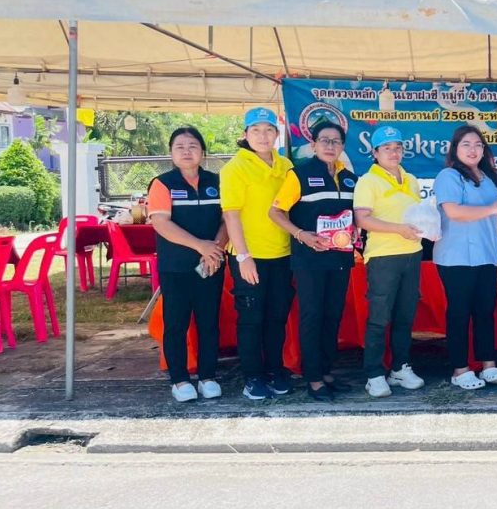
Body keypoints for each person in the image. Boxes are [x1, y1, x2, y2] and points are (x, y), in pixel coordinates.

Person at [269, 121, 357, 402]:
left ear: (342, 146)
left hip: (340, 258)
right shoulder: (299, 175)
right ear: (313, 144)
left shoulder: (350, 179)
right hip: (309, 260)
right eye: (324, 140)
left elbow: (352, 216)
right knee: (312, 316)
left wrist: (357, 232)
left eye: (336, 141)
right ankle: (314, 378)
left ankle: (326, 371)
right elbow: (275, 213)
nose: (330, 146)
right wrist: (300, 234)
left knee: (333, 315)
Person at [147, 127, 228, 403]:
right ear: (171, 153)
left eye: (192, 145)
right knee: (176, 323)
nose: (186, 151)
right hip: (176, 267)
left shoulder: (217, 181)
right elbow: (161, 223)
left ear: (202, 152)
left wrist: (214, 249)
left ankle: (208, 376)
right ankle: (179, 379)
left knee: (209, 322)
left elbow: (227, 220)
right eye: (179, 146)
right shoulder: (162, 183)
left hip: (211, 264)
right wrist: (200, 246)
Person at [221, 107, 295, 400]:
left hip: (282, 254)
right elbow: (231, 215)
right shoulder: (235, 168)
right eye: (256, 130)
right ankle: (252, 376)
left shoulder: (285, 165)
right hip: (249, 256)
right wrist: (243, 257)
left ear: (277, 134)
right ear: (245, 134)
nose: (263, 136)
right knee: (251, 319)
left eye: (269, 130)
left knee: (277, 317)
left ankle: (275, 370)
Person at [434, 126, 497, 390]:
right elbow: (454, 212)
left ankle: (488, 364)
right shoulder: (449, 176)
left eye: (478, 144)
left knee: (485, 311)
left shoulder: (488, 177)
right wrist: (491, 209)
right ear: (455, 149)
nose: (473, 149)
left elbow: (490, 211)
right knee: (459, 312)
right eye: (466, 144)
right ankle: (460, 369)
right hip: (456, 256)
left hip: (486, 252)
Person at [353, 126, 426, 398]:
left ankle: (400, 368)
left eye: (397, 147)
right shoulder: (368, 181)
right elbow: (362, 220)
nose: (393, 153)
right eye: (386, 148)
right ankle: (374, 373)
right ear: (375, 153)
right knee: (379, 317)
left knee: (405, 315)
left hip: (412, 253)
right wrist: (399, 230)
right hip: (383, 256)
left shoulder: (411, 179)